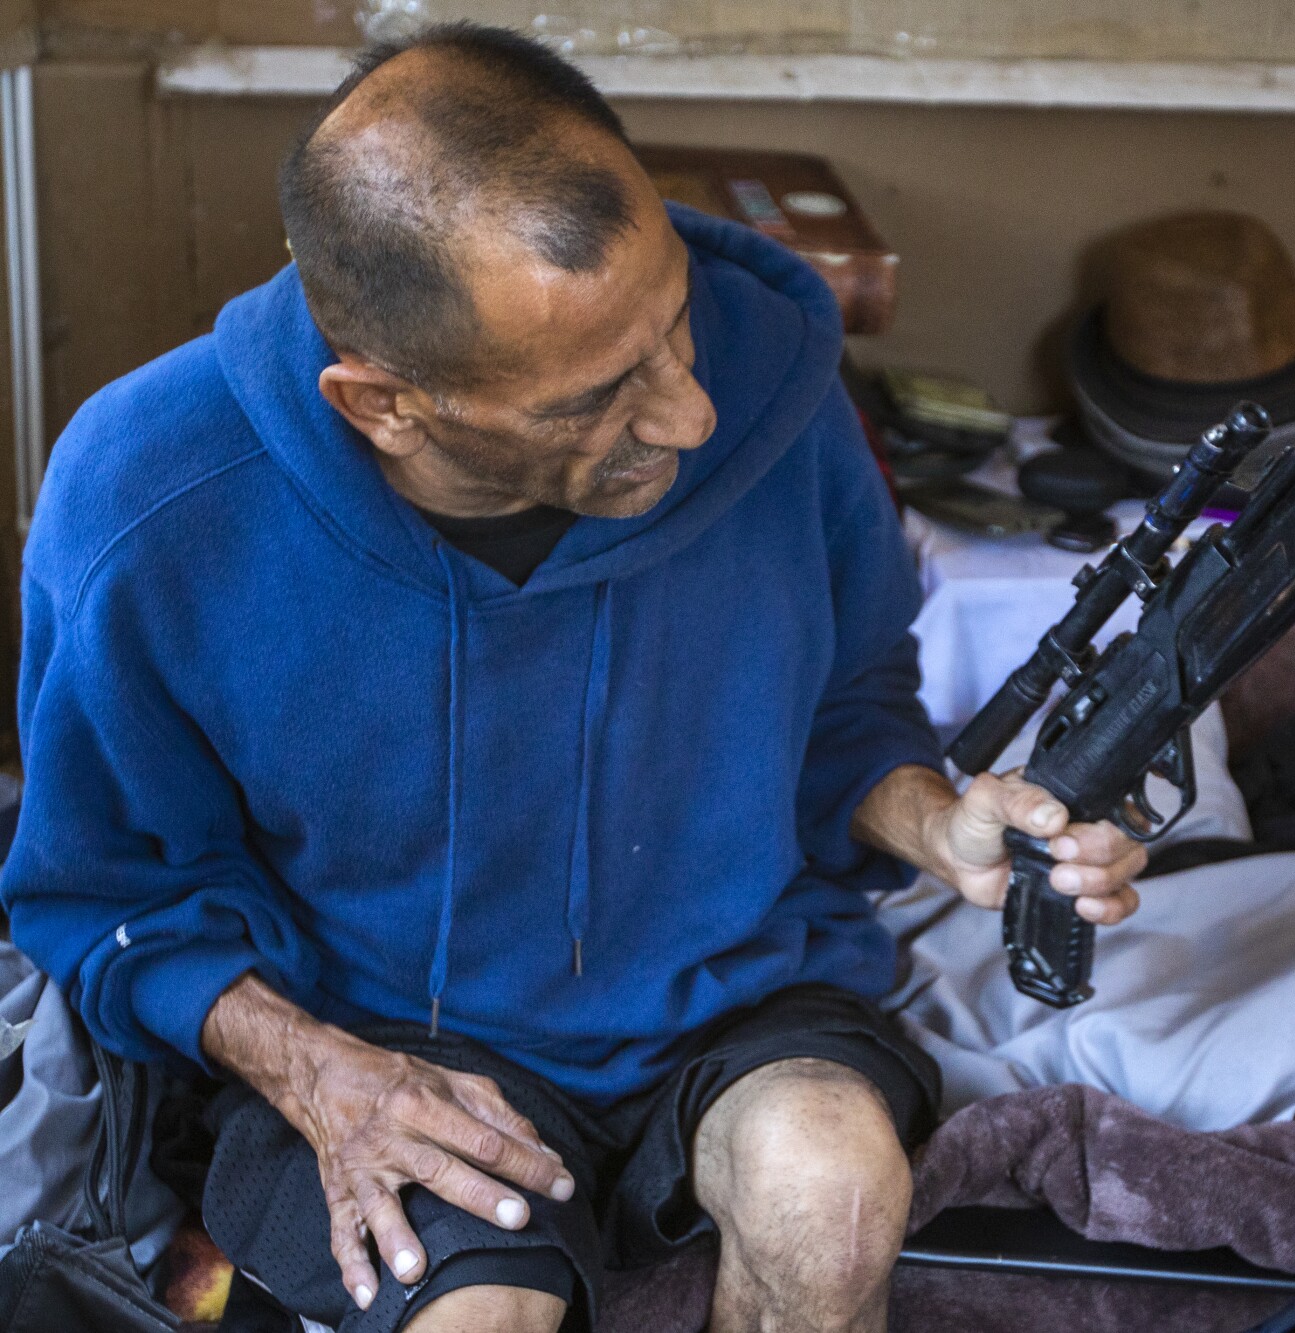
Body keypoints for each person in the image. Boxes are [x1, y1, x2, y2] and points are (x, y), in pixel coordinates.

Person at [0, 23, 1145, 1333]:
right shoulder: (151, 501)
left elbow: (843, 705)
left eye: (674, 329)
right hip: (381, 1032)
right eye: (595, 400)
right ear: (383, 404)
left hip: (739, 995)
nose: (687, 416)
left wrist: (938, 823)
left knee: (829, 1198)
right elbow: (108, 897)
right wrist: (324, 1076)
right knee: (482, 1318)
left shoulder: (769, 380)